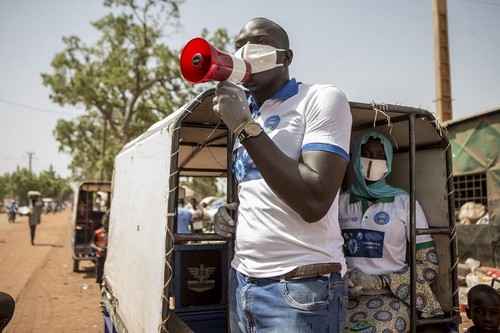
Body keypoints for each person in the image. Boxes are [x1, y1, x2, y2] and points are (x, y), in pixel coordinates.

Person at [212, 17, 352, 333]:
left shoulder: (320, 99)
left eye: (259, 41)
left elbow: (314, 201)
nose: (247, 50)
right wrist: (234, 210)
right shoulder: (247, 116)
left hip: (300, 286)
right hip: (243, 280)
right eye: (239, 45)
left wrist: (246, 128)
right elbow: (262, 189)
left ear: (285, 57)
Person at [338, 131, 444, 332]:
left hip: (392, 297)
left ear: (389, 161)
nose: (372, 160)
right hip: (345, 296)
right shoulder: (339, 203)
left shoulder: (405, 203)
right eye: (366, 154)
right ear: (356, 159)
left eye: (380, 156)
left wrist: (383, 281)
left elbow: (428, 266)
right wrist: (341, 279)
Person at [90, 210, 110, 283]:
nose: (105, 223)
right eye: (104, 221)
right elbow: (92, 244)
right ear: (102, 221)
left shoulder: (111, 233)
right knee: (99, 278)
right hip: (100, 256)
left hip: (109, 257)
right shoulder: (97, 232)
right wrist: (98, 248)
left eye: (107, 222)